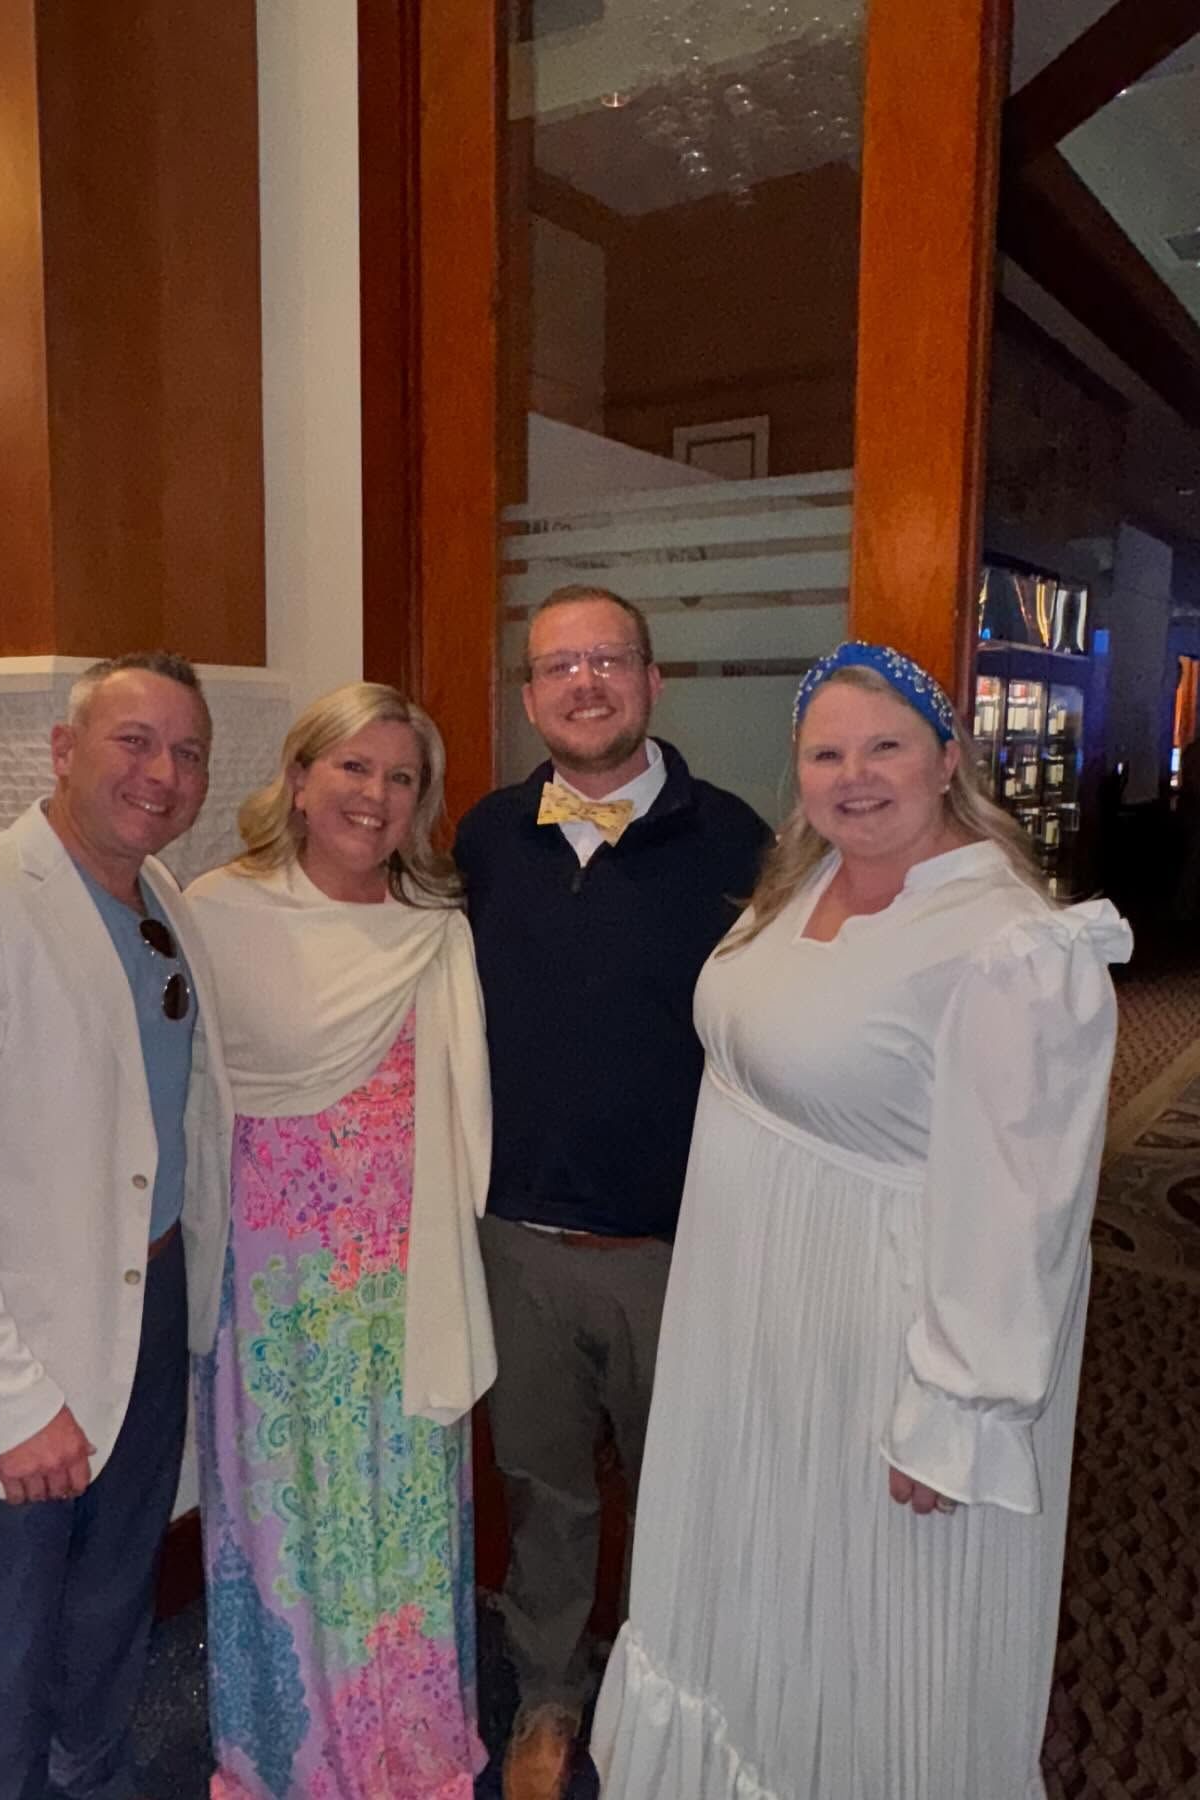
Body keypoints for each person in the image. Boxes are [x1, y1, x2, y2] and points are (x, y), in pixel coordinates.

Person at [592, 641, 1133, 1800]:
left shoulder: (1007, 944)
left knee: (875, 1620)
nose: (854, 775)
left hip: (881, 1337)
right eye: (826, 751)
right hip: (751, 1316)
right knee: (754, 1594)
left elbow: (1023, 1200)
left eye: (885, 745)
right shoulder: (802, 883)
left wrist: (959, 1405)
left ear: (948, 759)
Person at [0, 652, 230, 1800]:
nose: (162, 773)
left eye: (187, 751)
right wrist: (6, 1400)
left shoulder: (164, 900)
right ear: (64, 751)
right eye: (133, 741)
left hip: (153, 1299)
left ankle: (95, 1776)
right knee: (8, 1642)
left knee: (116, 1600)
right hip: (24, 1330)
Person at [453, 584, 769, 1799]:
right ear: (530, 696)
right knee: (543, 1493)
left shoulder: (743, 844)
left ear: (652, 680)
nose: (584, 683)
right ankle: (546, 1697)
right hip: (519, 1241)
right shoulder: (484, 840)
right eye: (558, 666)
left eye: (609, 660)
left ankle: (675, 1705)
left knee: (686, 1498)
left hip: (675, 1250)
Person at [183, 680, 494, 1800]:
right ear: (301, 778)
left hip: (398, 1288)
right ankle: (290, 1750)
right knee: (287, 1523)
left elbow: (465, 1124)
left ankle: (406, 1743)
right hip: (268, 1289)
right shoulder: (212, 912)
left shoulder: (431, 932)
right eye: (352, 768)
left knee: (398, 1525)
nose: (374, 794)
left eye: (401, 777)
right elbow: (186, 1099)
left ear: (422, 802)